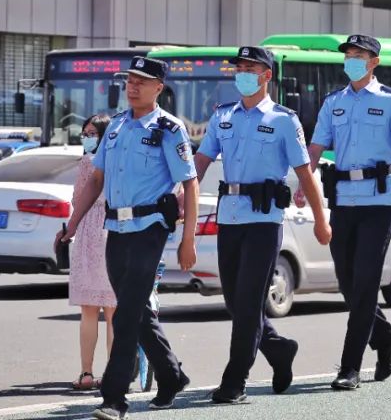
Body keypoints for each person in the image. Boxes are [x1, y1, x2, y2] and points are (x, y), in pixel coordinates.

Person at [61, 56, 199, 420]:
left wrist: (189, 240)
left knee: (124, 315)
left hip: (150, 228)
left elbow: (190, 182)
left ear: (159, 87)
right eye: (129, 80)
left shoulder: (169, 129)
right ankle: (171, 376)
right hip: (116, 230)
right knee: (137, 313)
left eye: (141, 81)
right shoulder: (118, 126)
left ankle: (114, 398)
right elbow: (96, 180)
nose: (132, 86)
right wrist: (74, 223)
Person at [194, 46, 331, 404]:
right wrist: (183, 195)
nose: (242, 73)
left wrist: (320, 220)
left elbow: (305, 172)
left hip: (264, 221)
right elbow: (201, 161)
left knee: (250, 301)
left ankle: (234, 380)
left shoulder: (284, 119)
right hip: (229, 216)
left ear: (266, 75)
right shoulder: (223, 115)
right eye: (238, 67)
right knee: (235, 303)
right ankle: (279, 349)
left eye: (249, 67)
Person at [304, 34, 391, 391]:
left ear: (374, 62)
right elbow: (314, 148)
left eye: (359, 56)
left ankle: (349, 367)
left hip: (378, 202)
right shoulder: (334, 102)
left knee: (364, 283)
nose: (352, 61)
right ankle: (386, 336)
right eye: (348, 55)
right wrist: (304, 184)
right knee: (347, 283)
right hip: (343, 200)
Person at [66, 113, 117, 391]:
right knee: (113, 310)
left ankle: (86, 373)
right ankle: (113, 373)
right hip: (115, 227)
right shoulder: (119, 160)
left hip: (89, 232)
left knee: (89, 310)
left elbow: (77, 199)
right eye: (85, 133)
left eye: (91, 133)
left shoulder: (87, 162)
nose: (86, 138)